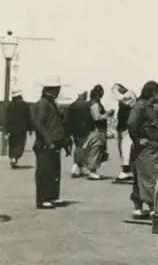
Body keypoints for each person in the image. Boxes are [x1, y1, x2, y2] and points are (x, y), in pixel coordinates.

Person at [127, 81, 158, 220]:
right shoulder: (141, 106)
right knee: (151, 177)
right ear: (153, 92)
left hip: (149, 147)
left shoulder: (147, 106)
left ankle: (139, 207)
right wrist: (138, 139)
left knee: (141, 176)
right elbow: (131, 124)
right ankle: (152, 207)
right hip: (146, 148)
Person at [31, 77, 70, 209]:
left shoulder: (52, 103)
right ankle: (42, 199)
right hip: (45, 143)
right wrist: (48, 139)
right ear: (51, 89)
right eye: (57, 89)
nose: (58, 92)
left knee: (54, 171)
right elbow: (39, 123)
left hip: (55, 142)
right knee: (45, 171)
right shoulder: (43, 103)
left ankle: (52, 196)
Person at [81, 85, 110, 180]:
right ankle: (92, 171)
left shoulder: (93, 102)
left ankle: (93, 171)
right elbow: (96, 117)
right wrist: (107, 114)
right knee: (96, 149)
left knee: (97, 149)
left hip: (97, 130)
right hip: (97, 130)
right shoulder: (95, 104)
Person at [112, 84, 137, 182]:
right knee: (124, 149)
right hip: (123, 127)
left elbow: (119, 98)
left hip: (127, 128)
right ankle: (128, 170)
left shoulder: (129, 94)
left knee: (126, 148)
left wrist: (115, 89)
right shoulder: (125, 97)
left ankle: (126, 171)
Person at [65, 92, 93, 178]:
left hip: (75, 130)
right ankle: (79, 166)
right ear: (85, 95)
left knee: (78, 146)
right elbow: (90, 117)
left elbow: (68, 118)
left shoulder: (72, 105)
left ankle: (78, 167)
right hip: (85, 129)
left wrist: (68, 131)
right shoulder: (87, 104)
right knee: (84, 148)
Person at [6, 89, 32, 168]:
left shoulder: (9, 105)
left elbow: (6, 118)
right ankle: (15, 157)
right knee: (20, 145)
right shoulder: (24, 105)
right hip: (21, 129)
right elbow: (28, 117)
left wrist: (6, 129)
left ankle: (12, 157)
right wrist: (30, 128)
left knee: (12, 144)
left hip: (11, 130)